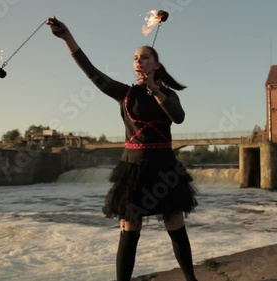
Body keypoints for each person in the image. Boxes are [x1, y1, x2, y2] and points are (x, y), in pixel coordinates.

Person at [47, 17, 199, 281]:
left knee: (176, 228)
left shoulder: (168, 94)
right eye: (135, 58)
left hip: (165, 169)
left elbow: (178, 117)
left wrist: (154, 89)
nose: (139, 60)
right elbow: (91, 71)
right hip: (133, 170)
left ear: (156, 64)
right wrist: (68, 38)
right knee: (130, 231)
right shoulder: (125, 93)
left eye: (145, 57)